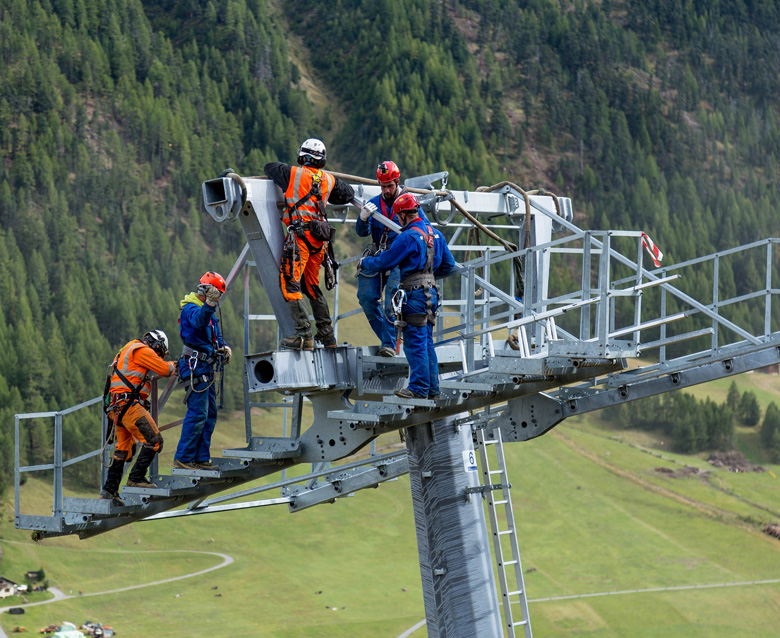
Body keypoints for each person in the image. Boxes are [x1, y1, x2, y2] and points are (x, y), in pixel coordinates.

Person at [358, 193, 457, 399]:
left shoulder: (408, 237)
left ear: (402, 215)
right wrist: (428, 275)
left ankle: (419, 388)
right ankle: (432, 389)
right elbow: (448, 265)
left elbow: (385, 262)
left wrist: (365, 263)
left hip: (414, 295)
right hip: (431, 292)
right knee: (427, 341)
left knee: (414, 342)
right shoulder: (436, 234)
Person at [264, 138, 355, 350]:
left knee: (290, 283)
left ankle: (304, 335)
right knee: (312, 286)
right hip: (318, 244)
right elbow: (348, 193)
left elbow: (269, 168)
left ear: (302, 156)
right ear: (321, 161)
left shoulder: (292, 174)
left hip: (300, 240)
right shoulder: (329, 180)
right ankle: (328, 336)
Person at [100, 329, 176, 505]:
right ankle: (136, 477)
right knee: (154, 440)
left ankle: (109, 489)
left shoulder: (126, 351)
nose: (158, 356)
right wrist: (177, 365)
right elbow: (165, 369)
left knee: (123, 450)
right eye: (159, 353)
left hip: (117, 407)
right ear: (157, 345)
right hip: (128, 406)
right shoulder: (142, 350)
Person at [174, 271, 232, 470]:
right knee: (198, 413)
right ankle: (184, 457)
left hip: (205, 367)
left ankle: (200, 458)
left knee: (209, 414)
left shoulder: (208, 312)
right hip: (195, 366)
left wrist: (224, 348)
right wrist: (209, 304)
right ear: (208, 291)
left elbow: (213, 334)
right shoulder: (190, 309)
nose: (219, 298)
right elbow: (198, 321)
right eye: (217, 293)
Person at [355, 160, 412, 357]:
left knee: (391, 301)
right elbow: (363, 232)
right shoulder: (375, 204)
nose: (386, 190)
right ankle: (387, 339)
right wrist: (363, 218)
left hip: (399, 257)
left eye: (389, 186)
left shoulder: (409, 203)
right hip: (380, 255)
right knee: (366, 298)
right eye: (383, 186)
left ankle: (388, 344)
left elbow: (420, 227)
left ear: (397, 182)